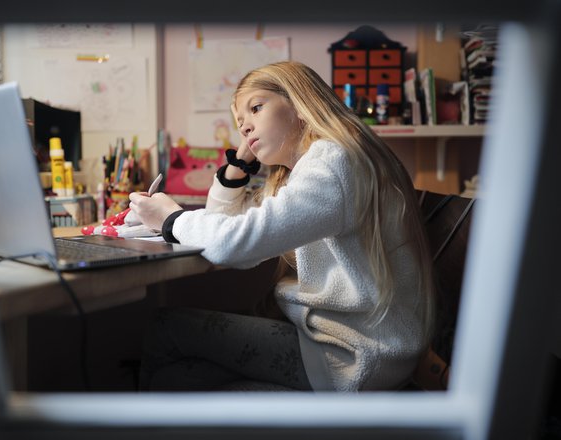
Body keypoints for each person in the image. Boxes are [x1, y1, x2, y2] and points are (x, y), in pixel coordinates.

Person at [128, 61, 434, 392]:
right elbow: (227, 225)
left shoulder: (333, 162)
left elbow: (235, 245)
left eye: (255, 108)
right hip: (350, 345)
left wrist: (169, 219)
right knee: (178, 378)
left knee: (166, 328)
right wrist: (239, 165)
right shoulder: (313, 167)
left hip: (354, 356)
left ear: (301, 103)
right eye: (239, 123)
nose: (244, 128)